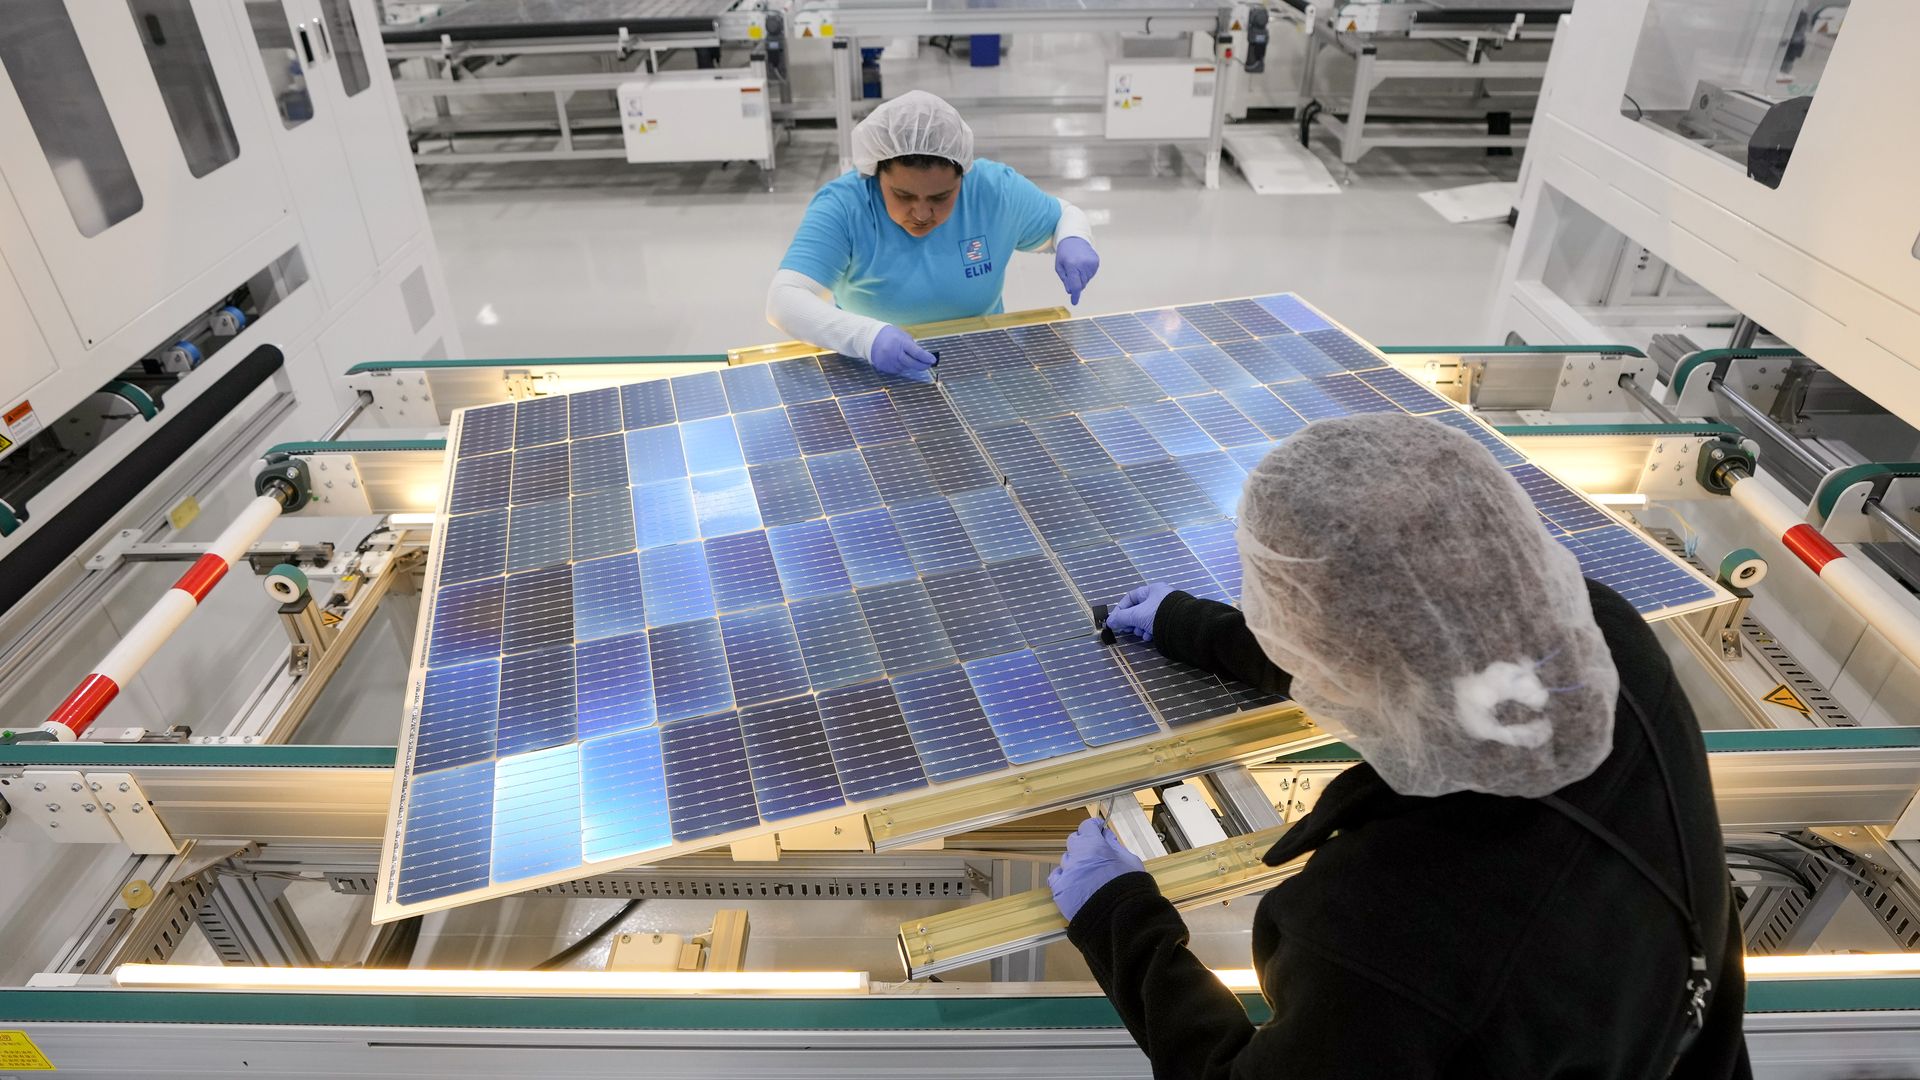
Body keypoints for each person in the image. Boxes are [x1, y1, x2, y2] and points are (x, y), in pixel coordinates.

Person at [1051, 414, 1750, 1079]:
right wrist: (1194, 627)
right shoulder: (1603, 640)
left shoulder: (1387, 941)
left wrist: (1118, 918)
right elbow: (1413, 652)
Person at [766, 90, 1100, 383]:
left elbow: (1065, 215)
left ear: (964, 176)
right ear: (875, 172)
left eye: (941, 197)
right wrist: (867, 337)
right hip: (874, 371)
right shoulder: (845, 206)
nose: (922, 214)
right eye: (903, 195)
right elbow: (784, 300)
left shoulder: (994, 191)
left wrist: (1074, 238)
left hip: (981, 366)